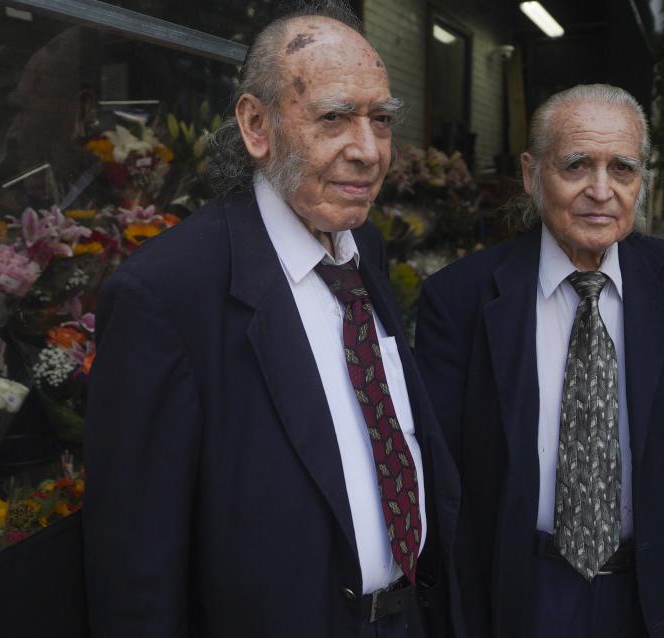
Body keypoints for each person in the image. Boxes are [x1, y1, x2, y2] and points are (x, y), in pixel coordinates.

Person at [83, 3, 463, 636]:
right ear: (256, 125)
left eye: (382, 120)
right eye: (335, 117)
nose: (368, 151)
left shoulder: (360, 247)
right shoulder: (166, 296)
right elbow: (135, 567)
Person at [415, 84, 664, 638]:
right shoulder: (460, 299)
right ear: (531, 173)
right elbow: (442, 489)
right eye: (576, 165)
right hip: (520, 593)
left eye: (623, 169)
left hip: (648, 597)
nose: (601, 190)